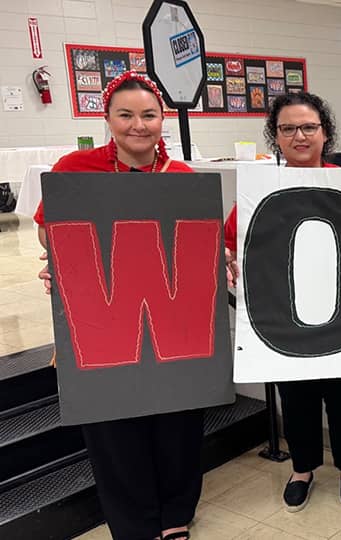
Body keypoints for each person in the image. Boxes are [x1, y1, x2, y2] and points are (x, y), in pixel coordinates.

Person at [35, 71, 200, 540]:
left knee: (176, 421)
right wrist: (61, 259)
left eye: (148, 115)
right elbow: (48, 230)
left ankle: (175, 514)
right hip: (103, 321)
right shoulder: (73, 168)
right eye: (125, 115)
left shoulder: (182, 178)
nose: (138, 125)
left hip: (168, 321)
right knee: (114, 426)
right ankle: (133, 522)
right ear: (107, 118)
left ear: (162, 119)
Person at [223, 91, 341, 512]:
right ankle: (301, 469)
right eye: (288, 129)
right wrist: (229, 262)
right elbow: (231, 242)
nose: (299, 136)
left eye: (309, 127)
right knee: (295, 396)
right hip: (283, 317)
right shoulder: (260, 190)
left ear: (325, 133)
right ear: (275, 136)